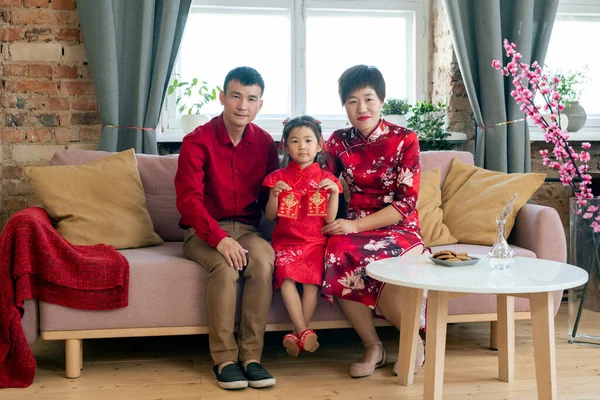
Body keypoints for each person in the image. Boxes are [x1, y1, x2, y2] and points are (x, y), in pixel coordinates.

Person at [174, 66, 279, 390]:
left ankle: (251, 358)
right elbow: (188, 201)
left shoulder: (264, 143)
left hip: (248, 229)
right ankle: (224, 360)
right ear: (222, 97)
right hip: (202, 231)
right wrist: (219, 239)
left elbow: (268, 198)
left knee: (262, 263)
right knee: (224, 266)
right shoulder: (197, 141)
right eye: (236, 96)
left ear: (260, 105)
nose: (242, 105)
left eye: (251, 99)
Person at [321, 65, 426, 378]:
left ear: (381, 100)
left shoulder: (405, 139)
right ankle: (372, 346)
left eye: (368, 99)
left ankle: (414, 342)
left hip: (398, 225)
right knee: (336, 251)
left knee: (390, 264)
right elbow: (322, 182)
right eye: (352, 101)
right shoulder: (337, 141)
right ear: (345, 107)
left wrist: (354, 226)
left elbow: (406, 203)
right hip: (354, 223)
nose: (361, 108)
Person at [262, 116, 343, 357]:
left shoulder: (328, 180)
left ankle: (298, 335)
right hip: (285, 241)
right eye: (295, 141)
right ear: (285, 146)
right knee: (286, 280)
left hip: (315, 241)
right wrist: (274, 195)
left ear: (320, 145)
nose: (302, 146)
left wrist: (335, 195)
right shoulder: (277, 178)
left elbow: (329, 221)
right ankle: (303, 331)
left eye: (308, 140)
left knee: (311, 286)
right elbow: (269, 216)